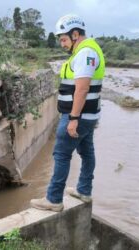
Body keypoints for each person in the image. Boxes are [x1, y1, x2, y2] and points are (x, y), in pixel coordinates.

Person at [30, 14, 105, 212]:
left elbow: (81, 89)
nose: (62, 44)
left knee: (61, 154)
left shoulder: (84, 53)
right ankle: (84, 191)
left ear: (75, 34)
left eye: (63, 39)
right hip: (89, 116)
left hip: (78, 117)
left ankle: (53, 199)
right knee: (87, 152)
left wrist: (73, 119)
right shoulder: (89, 50)